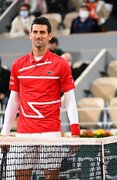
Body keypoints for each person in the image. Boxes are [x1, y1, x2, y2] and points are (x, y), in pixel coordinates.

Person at [1, 16, 80, 180]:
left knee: (52, 177)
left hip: (51, 133)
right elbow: (14, 100)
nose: (38, 35)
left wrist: (75, 131)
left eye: (42, 32)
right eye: (35, 32)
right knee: (20, 176)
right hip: (23, 134)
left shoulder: (61, 64)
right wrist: (5, 133)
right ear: (30, 35)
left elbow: (70, 100)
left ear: (49, 36)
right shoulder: (18, 65)